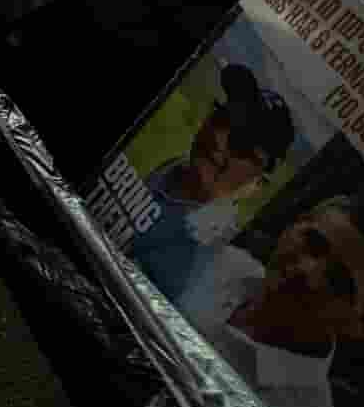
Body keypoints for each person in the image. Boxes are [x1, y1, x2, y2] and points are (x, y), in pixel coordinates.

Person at [176, 189, 364, 407]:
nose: (308, 271)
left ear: (361, 326)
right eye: (314, 243)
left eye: (339, 280)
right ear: (293, 224)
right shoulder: (219, 257)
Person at [127, 64, 296, 301]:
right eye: (222, 118)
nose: (219, 138)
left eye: (243, 145)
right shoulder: (173, 167)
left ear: (259, 183)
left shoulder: (205, 262)